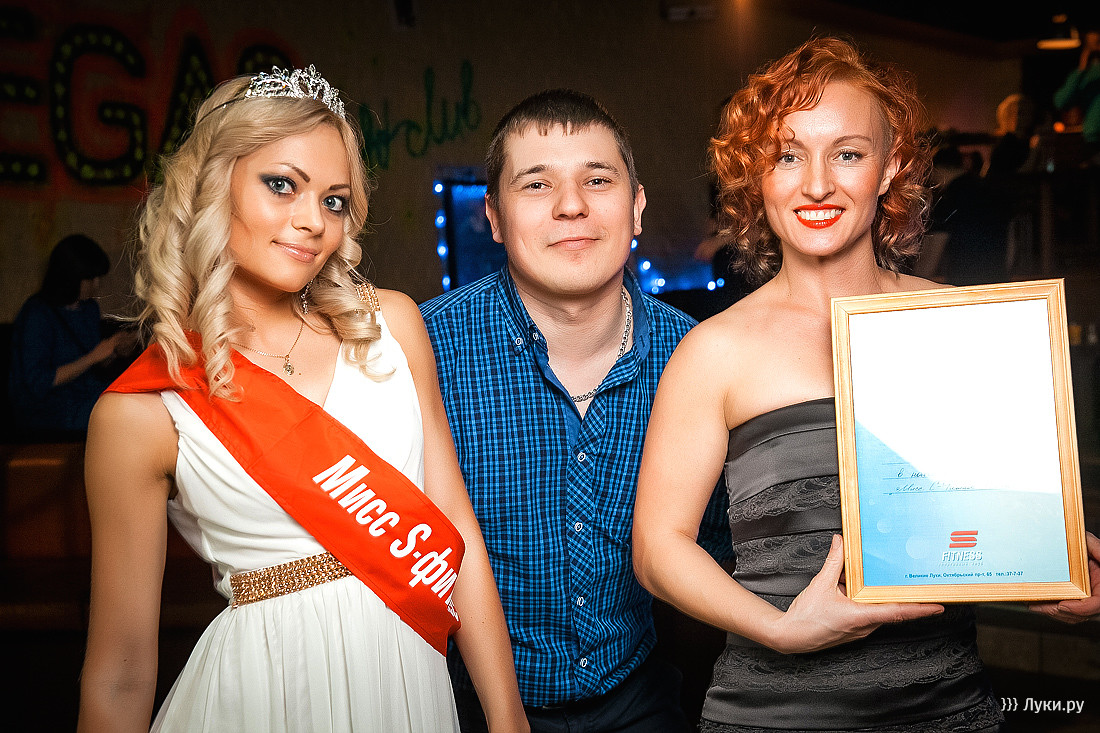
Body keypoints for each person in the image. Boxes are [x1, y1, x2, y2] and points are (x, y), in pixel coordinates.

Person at [633, 37, 1100, 733]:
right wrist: (780, 628)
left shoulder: (960, 323)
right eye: (788, 156)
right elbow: (657, 548)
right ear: (757, 176)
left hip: (947, 708)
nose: (817, 184)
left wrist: (1045, 557)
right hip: (771, 715)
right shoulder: (714, 351)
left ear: (891, 168)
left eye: (848, 154)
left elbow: (981, 517)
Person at [77, 66, 527, 732]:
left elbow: (453, 531)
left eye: (334, 200)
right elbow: (120, 672)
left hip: (408, 693)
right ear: (211, 186)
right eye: (282, 184)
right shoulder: (142, 412)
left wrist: (508, 718)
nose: (313, 221)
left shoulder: (392, 326)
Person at [420, 89, 730, 731]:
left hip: (640, 691)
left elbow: (726, 551)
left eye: (597, 180)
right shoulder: (426, 351)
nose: (571, 205)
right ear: (494, 216)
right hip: (460, 701)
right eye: (537, 185)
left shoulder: (696, 357)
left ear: (637, 206)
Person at [7, 234, 135, 438]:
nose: (96, 285)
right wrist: (93, 356)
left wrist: (116, 350)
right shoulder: (37, 314)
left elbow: (93, 361)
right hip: (49, 409)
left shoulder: (88, 308)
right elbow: (38, 383)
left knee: (132, 398)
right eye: (90, 278)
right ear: (70, 277)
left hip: (86, 393)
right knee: (116, 411)